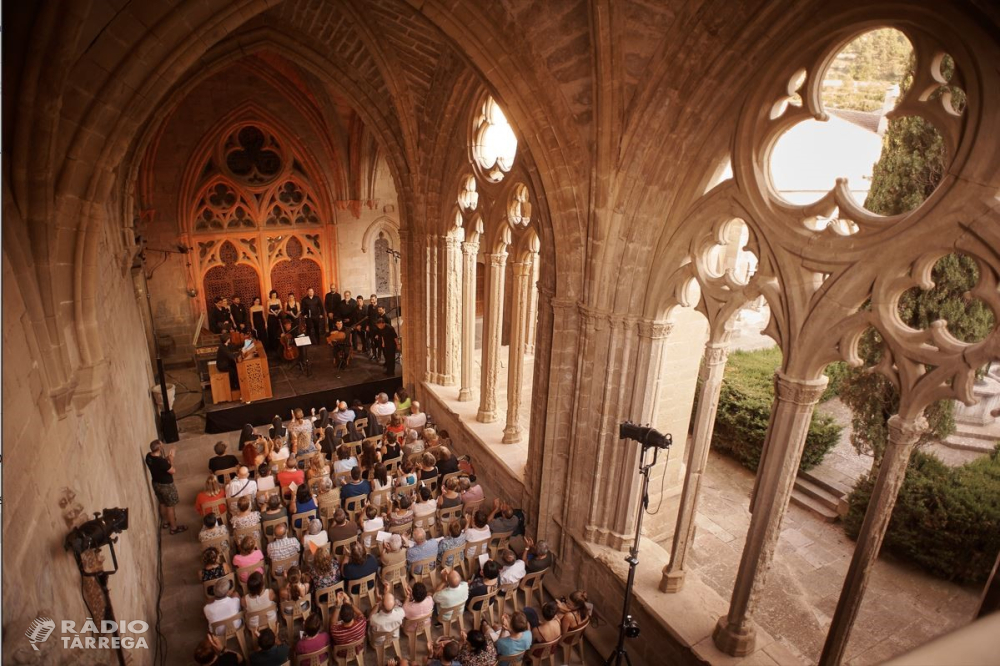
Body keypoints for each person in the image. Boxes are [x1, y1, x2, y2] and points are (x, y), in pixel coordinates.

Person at [145, 440, 185, 534]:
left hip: (156, 484)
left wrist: (167, 458)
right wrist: (171, 460)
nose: (163, 447)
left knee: (162, 503)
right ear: (159, 448)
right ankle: (173, 528)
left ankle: (166, 522)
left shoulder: (148, 456)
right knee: (170, 507)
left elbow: (159, 465)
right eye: (161, 446)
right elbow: (172, 471)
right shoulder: (161, 462)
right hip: (166, 486)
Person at [369, 582, 405, 647]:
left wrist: (377, 603)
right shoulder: (400, 613)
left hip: (379, 642)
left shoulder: (375, 619)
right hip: (394, 638)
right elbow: (390, 605)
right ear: (394, 605)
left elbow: (370, 618)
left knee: (367, 613)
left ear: (381, 606)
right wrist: (386, 593)